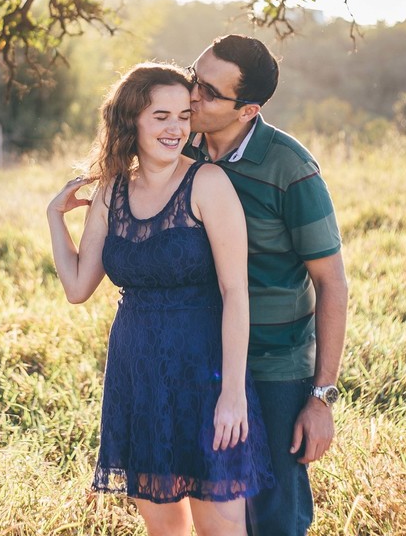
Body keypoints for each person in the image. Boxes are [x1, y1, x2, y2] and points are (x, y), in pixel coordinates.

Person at [47, 62, 274, 536]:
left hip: (206, 375)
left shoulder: (208, 183)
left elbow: (236, 293)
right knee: (164, 527)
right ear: (131, 119)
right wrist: (55, 217)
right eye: (161, 116)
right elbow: (77, 288)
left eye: (184, 116)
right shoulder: (111, 192)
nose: (176, 128)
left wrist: (232, 394)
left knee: (220, 529)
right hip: (140, 377)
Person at [183, 35, 348, 536]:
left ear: (248, 110)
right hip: (194, 358)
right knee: (211, 506)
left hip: (273, 365)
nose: (191, 95)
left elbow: (332, 283)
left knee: (273, 514)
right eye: (192, 77)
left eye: (209, 92)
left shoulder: (290, 168)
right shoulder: (177, 146)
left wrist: (320, 399)